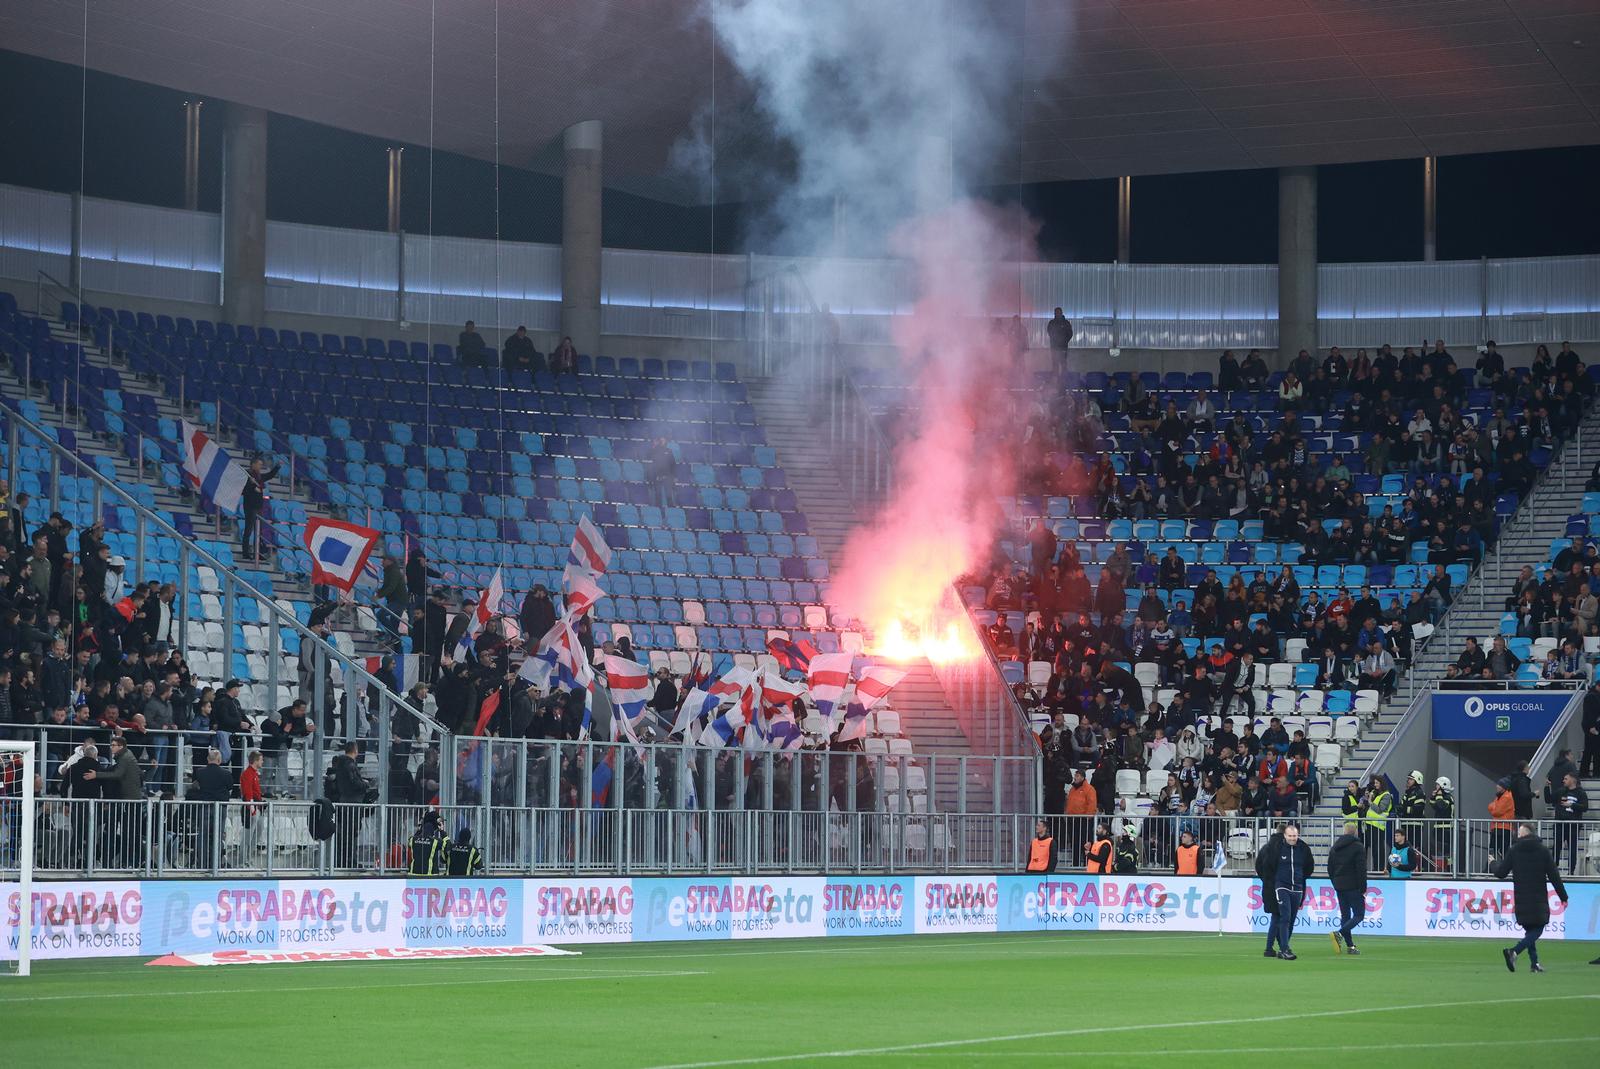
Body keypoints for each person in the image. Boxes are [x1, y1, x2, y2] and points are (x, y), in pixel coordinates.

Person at [1493, 822, 1568, 973]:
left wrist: (1493, 863)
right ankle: (1514, 951)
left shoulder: (1514, 850)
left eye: (1519, 833)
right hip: (1538, 896)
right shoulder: (1543, 850)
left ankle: (1534, 963)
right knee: (1538, 928)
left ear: (1525, 834)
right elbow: (1554, 876)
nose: (1517, 835)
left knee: (1530, 930)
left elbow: (1501, 873)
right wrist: (1563, 896)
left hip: (1521, 897)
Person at [1255, 822, 1314, 960]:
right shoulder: (1276, 848)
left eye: (1295, 836)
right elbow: (1266, 866)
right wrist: (1274, 881)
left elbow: (1309, 867)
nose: (1293, 838)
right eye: (1290, 836)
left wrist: (1298, 878)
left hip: (1295, 887)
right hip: (1280, 887)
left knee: (1283, 918)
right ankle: (1283, 948)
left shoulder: (1302, 848)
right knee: (1284, 917)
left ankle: (1274, 947)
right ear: (1284, 835)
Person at [1327, 821, 1367, 954]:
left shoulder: (1335, 847)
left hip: (1339, 885)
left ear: (1344, 832)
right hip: (1353, 885)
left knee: (1345, 916)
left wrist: (1335, 882)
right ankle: (1339, 933)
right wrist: (1363, 888)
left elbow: (1330, 868)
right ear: (1355, 832)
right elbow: (1361, 869)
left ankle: (1350, 946)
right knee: (1359, 915)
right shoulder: (1358, 847)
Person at [1548, 772, 1588, 875]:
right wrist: (1546, 787)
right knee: (1556, 848)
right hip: (1560, 824)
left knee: (1572, 849)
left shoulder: (1581, 793)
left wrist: (1572, 805)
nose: (1563, 781)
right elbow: (1548, 799)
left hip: (1573, 826)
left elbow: (1585, 807)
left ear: (1573, 780)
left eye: (1566, 779)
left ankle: (1571, 871)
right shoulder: (1561, 791)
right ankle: (1553, 870)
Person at [240, 456, 280, 558]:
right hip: (250, 506)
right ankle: (246, 553)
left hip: (258, 506)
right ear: (253, 464)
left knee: (259, 531)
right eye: (259, 464)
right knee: (249, 530)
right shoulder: (247, 475)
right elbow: (243, 490)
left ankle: (258, 552)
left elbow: (269, 475)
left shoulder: (259, 477)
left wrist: (277, 467)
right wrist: (253, 487)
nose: (260, 466)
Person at [408, 810, 448, 875]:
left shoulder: (412, 839)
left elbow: (414, 838)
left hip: (413, 877)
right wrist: (442, 831)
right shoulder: (436, 842)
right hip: (430, 879)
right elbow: (448, 847)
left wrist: (420, 827)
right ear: (436, 826)